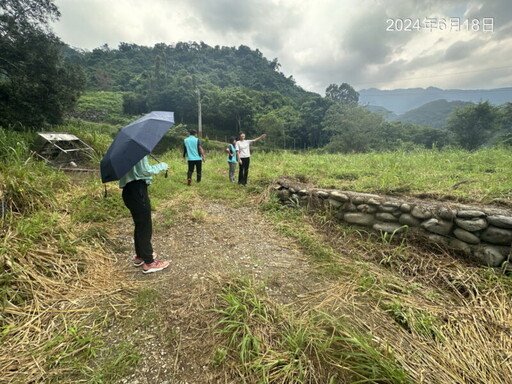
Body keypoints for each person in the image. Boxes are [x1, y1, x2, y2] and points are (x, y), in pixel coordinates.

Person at [120, 156, 170, 274]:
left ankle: (141, 256)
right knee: (145, 226)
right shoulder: (138, 152)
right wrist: (162, 166)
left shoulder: (124, 153)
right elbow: (144, 170)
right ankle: (149, 262)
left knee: (139, 224)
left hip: (128, 191)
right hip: (138, 190)